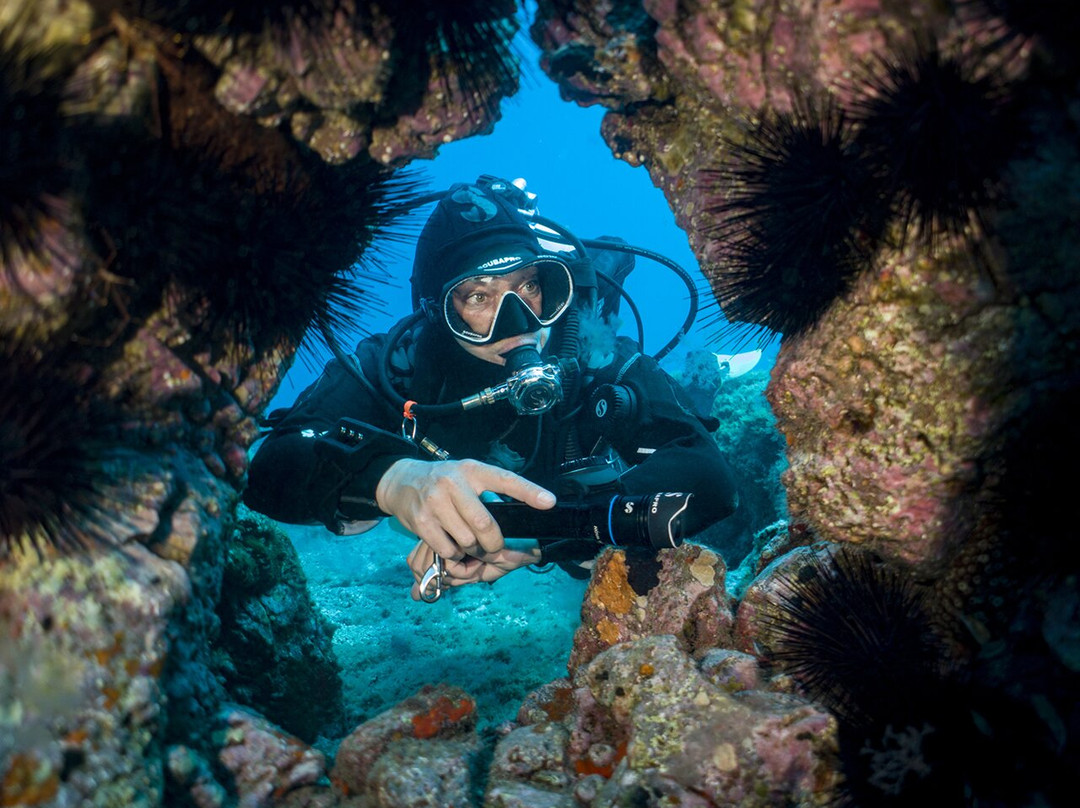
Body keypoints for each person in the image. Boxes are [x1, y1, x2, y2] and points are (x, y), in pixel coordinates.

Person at [244, 175, 737, 600]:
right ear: (437, 311)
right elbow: (270, 471)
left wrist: (542, 535)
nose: (519, 322)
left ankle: (715, 371)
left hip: (566, 500)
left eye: (528, 286)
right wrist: (391, 482)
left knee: (690, 402)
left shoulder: (588, 351)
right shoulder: (397, 365)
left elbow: (710, 478)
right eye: (479, 296)